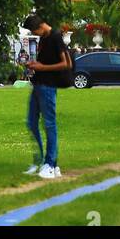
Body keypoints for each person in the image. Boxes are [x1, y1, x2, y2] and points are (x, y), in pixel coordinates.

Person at [22, 12, 72, 179]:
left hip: (48, 86)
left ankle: (49, 164)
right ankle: (43, 161)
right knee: (31, 123)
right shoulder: (44, 38)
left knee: (49, 124)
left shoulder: (55, 37)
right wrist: (35, 65)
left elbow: (66, 64)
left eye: (33, 31)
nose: (34, 34)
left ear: (40, 26)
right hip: (38, 84)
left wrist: (42, 67)